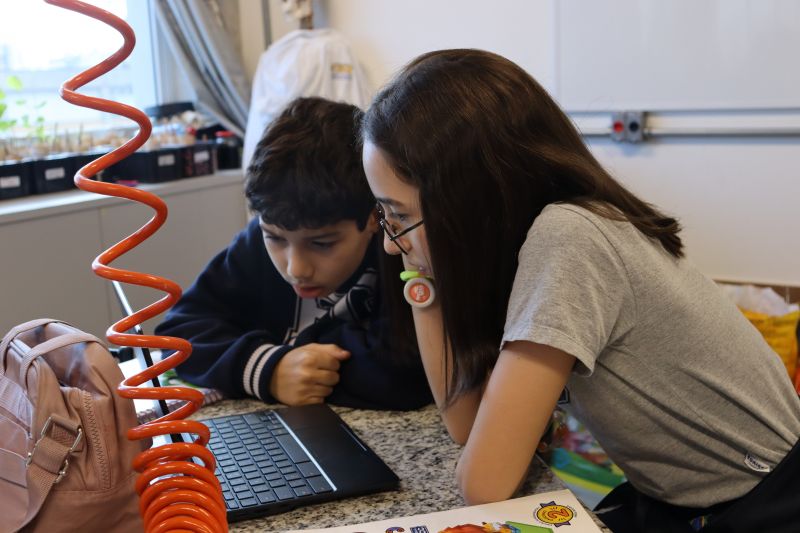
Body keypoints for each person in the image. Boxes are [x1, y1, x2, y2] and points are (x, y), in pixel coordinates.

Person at [360, 49, 800, 532]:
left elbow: (483, 481)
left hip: (766, 506)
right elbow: (465, 424)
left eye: (398, 215)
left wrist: (422, 257)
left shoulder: (571, 238)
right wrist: (420, 275)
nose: (390, 243)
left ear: (469, 202)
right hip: (681, 501)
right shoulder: (547, 234)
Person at [156, 96, 431, 410]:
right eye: (275, 239)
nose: (296, 269)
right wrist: (270, 369)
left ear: (374, 216)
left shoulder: (398, 251)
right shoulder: (257, 241)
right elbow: (178, 337)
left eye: (322, 244)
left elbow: (409, 370)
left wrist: (299, 366)